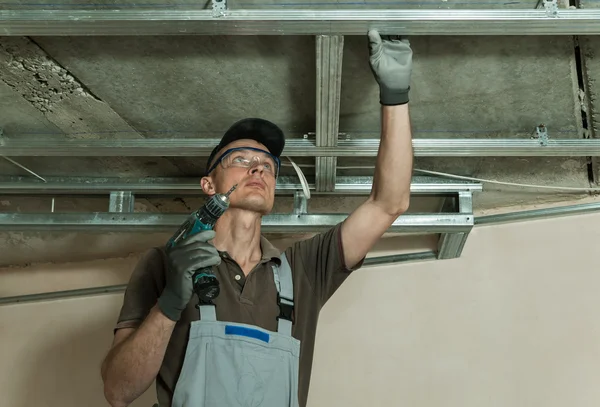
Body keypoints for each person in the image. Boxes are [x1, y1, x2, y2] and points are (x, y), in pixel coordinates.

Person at [100, 30, 414, 407]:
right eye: (241, 160)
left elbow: (388, 203)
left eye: (267, 165)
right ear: (207, 183)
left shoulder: (303, 270)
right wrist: (168, 303)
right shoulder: (164, 263)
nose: (258, 169)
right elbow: (117, 391)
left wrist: (395, 94)